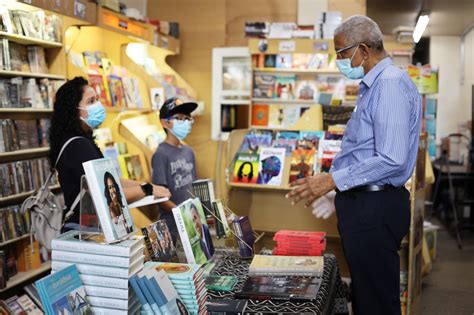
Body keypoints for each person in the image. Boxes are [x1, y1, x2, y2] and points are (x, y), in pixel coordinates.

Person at [286, 15, 421, 315]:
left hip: (374, 208)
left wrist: (334, 181)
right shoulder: (374, 85)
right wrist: (343, 193)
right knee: (367, 294)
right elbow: (367, 150)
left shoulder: (388, 85)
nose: (339, 61)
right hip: (366, 201)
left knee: (376, 303)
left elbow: (392, 158)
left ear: (362, 49)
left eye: (341, 53)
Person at [49, 77, 171, 230]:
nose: (98, 105)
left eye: (97, 99)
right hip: (84, 231)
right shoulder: (78, 146)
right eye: (91, 101)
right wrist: (147, 190)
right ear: (74, 110)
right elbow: (106, 195)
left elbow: (111, 179)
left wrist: (146, 185)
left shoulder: (81, 141)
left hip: (89, 227)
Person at [151, 97, 198, 243]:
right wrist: (181, 214)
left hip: (192, 221)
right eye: (179, 118)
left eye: (186, 118)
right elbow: (160, 197)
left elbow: (194, 186)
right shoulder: (161, 154)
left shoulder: (189, 151)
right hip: (172, 224)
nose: (184, 122)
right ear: (165, 122)